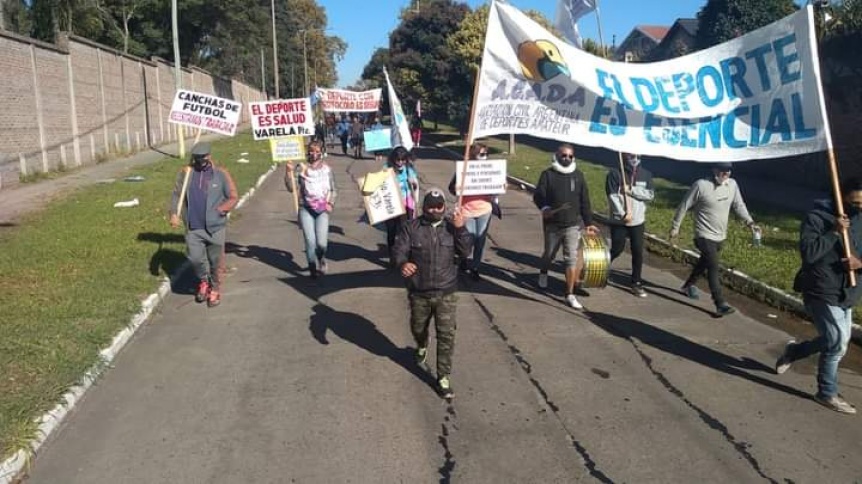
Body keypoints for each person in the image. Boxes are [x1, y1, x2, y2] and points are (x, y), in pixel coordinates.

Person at [774, 178, 862, 414]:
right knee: (836, 342)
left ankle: (795, 351)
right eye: (855, 203)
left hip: (849, 290)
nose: (859, 208)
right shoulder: (817, 217)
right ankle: (827, 392)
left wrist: (859, 262)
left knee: (836, 342)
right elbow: (809, 254)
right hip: (821, 287)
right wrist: (834, 232)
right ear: (841, 198)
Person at [393, 188, 473, 399]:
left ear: (444, 206)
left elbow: (466, 252)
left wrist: (461, 229)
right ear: (424, 206)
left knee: (446, 335)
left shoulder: (452, 226)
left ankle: (443, 377)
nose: (435, 210)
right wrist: (403, 263)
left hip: (446, 291)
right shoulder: (411, 227)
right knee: (418, 327)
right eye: (430, 206)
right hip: (419, 291)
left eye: (439, 206)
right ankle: (421, 344)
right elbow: (399, 250)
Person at [669, 162, 760, 316]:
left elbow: (739, 205)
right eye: (722, 171)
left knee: (705, 262)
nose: (726, 174)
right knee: (713, 265)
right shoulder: (701, 185)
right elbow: (684, 206)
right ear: (714, 170)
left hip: (720, 236)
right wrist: (675, 227)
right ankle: (719, 303)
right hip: (703, 234)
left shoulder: (732, 185)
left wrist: (750, 222)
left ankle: (688, 285)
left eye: (728, 171)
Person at [169, 142, 238, 308]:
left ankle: (214, 288)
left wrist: (221, 210)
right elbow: (177, 195)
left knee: (216, 261)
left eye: (202, 158)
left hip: (215, 227)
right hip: (193, 226)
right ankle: (204, 280)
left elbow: (233, 196)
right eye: (196, 158)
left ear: (209, 156)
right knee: (195, 258)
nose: (199, 161)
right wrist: (174, 213)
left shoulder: (221, 174)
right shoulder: (186, 174)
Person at [533, 143, 599, 309]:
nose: (567, 158)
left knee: (571, 259)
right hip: (552, 225)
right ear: (557, 156)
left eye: (570, 156)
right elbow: (538, 195)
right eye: (563, 155)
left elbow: (585, 201)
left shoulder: (578, 175)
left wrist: (589, 223)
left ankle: (569, 294)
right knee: (549, 255)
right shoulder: (547, 174)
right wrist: (545, 208)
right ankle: (543, 272)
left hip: (572, 225)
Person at [285, 140, 337, 279]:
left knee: (321, 243)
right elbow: (291, 188)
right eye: (312, 151)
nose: (314, 154)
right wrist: (288, 172)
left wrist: (330, 203)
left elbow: (333, 189)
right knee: (310, 241)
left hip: (322, 210)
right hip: (305, 209)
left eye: (317, 151)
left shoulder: (327, 169)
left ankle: (321, 258)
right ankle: (312, 268)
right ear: (308, 152)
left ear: (321, 152)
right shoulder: (301, 168)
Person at [606, 152, 655, 297]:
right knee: (617, 249)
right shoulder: (615, 173)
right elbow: (612, 196)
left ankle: (636, 283)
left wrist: (632, 190)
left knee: (638, 252)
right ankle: (602, 268)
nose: (635, 159)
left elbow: (650, 195)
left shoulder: (646, 174)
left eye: (638, 156)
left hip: (638, 221)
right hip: (620, 220)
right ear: (624, 157)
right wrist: (623, 214)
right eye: (632, 156)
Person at [448, 143, 499, 280]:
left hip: (484, 210)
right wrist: (458, 187)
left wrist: (500, 186)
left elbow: (497, 186)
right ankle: (463, 259)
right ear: (474, 155)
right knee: (468, 239)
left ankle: (475, 267)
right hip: (467, 210)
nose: (485, 157)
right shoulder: (464, 169)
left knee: (480, 240)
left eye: (487, 154)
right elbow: (451, 188)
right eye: (482, 154)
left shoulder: (491, 169)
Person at [384, 146, 419, 261]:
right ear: (393, 159)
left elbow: (415, 185)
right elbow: (380, 183)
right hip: (392, 203)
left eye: (402, 160)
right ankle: (391, 252)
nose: (400, 162)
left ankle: (404, 253)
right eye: (397, 160)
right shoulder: (387, 168)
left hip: (405, 204)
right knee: (391, 230)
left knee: (405, 230)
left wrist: (412, 183)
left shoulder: (409, 169)